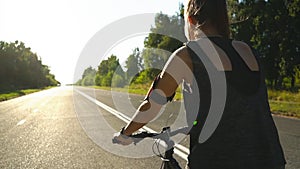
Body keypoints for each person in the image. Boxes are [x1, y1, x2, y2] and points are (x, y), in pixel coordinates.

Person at [113, 0, 286, 168]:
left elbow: (152, 104)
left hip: (217, 161)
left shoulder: (188, 54)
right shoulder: (247, 50)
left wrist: (125, 134)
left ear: (190, 20)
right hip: (270, 158)